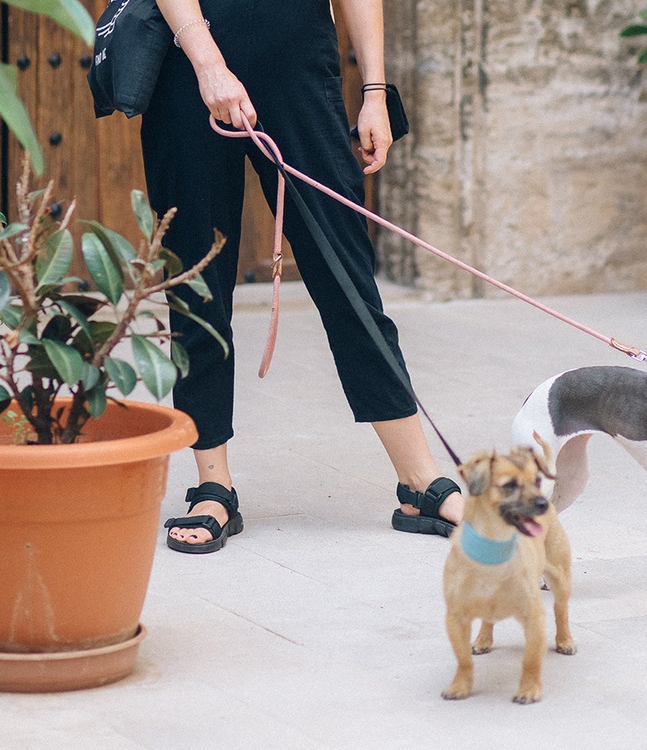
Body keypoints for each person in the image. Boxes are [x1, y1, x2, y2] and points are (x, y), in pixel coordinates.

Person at [142, 0, 463, 554]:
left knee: (345, 268)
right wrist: (208, 63)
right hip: (187, 66)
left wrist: (375, 92)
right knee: (197, 279)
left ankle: (420, 482)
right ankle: (212, 483)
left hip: (299, 62)